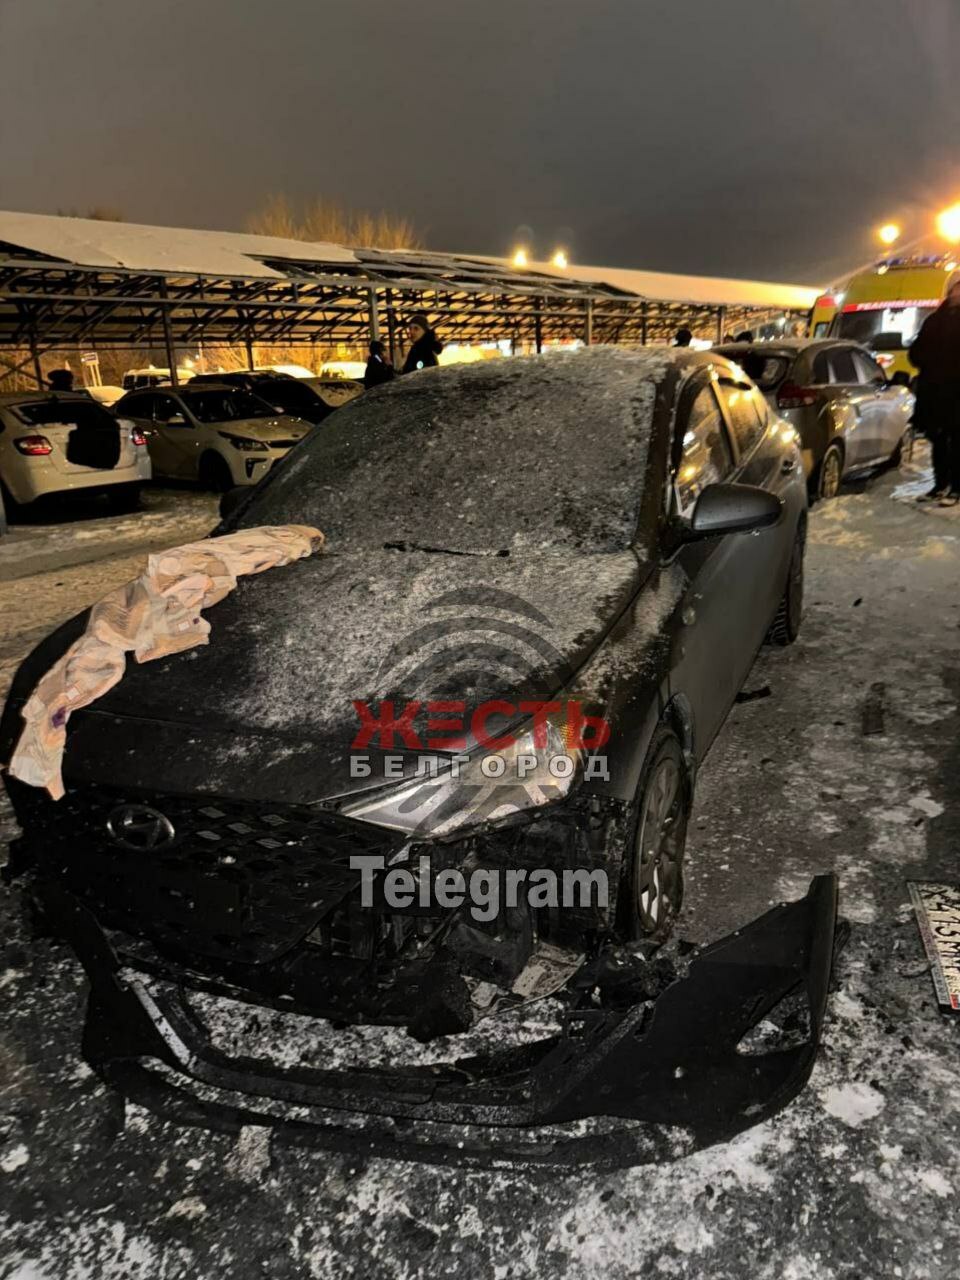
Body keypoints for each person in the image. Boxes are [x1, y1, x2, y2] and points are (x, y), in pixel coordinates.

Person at [909, 273, 960, 505]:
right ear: (949, 291)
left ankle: (956, 489)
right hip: (935, 391)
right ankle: (940, 484)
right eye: (956, 288)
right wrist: (925, 359)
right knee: (938, 438)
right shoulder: (933, 320)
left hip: (957, 391)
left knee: (956, 439)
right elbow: (916, 351)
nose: (958, 293)